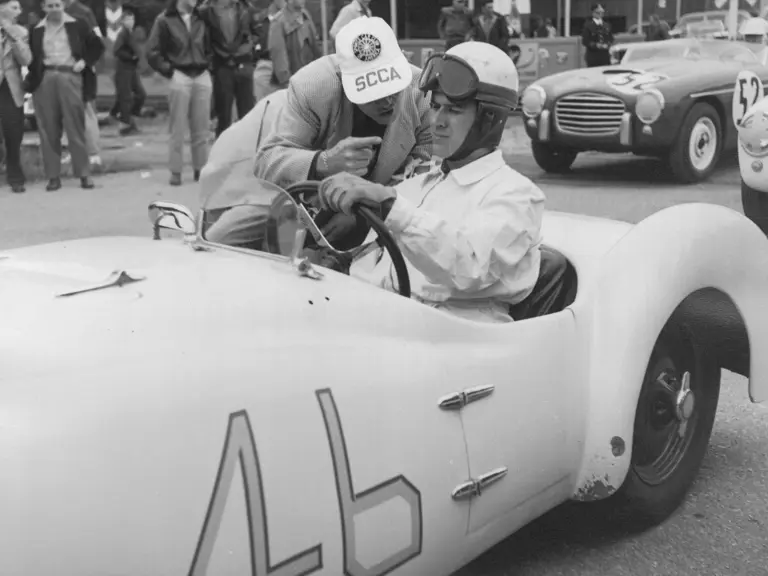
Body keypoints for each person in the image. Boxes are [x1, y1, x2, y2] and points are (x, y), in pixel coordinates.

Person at [316, 41, 545, 324]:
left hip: (459, 339)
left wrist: (388, 204)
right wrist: (331, 258)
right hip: (382, 323)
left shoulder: (516, 195)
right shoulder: (415, 187)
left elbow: (471, 266)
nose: (437, 120)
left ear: (489, 120)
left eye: (454, 110)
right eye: (435, 106)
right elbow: (373, 265)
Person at [253, 16, 432, 248]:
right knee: (230, 236)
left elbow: (424, 184)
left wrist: (362, 213)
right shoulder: (312, 87)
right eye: (373, 94)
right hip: (304, 204)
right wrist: (323, 161)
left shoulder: (423, 94)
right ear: (343, 79)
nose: (387, 100)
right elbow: (265, 161)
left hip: (379, 214)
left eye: (392, 87)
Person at [25, 0, 103, 191]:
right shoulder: (36, 29)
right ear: (43, 8)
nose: (54, 9)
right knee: (48, 129)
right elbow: (31, 57)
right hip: (46, 77)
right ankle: (53, 176)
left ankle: (83, 174)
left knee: (75, 126)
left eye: (57, 5)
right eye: (49, 6)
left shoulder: (78, 24)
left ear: (63, 6)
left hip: (70, 75)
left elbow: (97, 45)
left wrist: (85, 62)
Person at [146, 0, 213, 186]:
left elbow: (211, 45)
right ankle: (176, 171)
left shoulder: (202, 18)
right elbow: (152, 52)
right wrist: (169, 71)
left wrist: (209, 65)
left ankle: (201, 169)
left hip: (201, 75)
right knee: (177, 128)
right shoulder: (164, 20)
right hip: (180, 74)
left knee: (202, 128)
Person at [199, 0, 258, 138]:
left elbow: (257, 33)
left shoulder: (245, 8)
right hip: (222, 65)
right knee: (223, 115)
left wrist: (247, 48)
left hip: (244, 64)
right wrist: (211, 59)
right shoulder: (206, 11)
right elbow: (202, 38)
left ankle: (247, 153)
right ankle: (222, 154)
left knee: (247, 114)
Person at [63, 0, 104, 168]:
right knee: (68, 115)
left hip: (83, 74)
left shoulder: (82, 15)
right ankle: (74, 151)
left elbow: (98, 42)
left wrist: (87, 61)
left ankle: (93, 153)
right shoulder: (49, 22)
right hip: (63, 76)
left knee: (86, 113)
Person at [0, 0, 30, 193]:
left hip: (11, 87)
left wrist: (12, 35)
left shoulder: (21, 32)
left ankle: (15, 176)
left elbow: (26, 59)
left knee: (13, 132)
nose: (19, 11)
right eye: (14, 7)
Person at [268, 0, 320, 89]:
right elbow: (279, 57)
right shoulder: (278, 22)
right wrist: (287, 83)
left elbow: (315, 49)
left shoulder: (306, 16)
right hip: (292, 84)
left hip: (310, 80)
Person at [112, 5, 145, 135]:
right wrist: (131, 57)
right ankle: (125, 125)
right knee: (125, 97)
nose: (130, 22)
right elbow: (117, 50)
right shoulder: (122, 34)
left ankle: (123, 115)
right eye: (127, 19)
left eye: (132, 19)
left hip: (132, 69)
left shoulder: (131, 33)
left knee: (140, 94)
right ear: (122, 21)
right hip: (123, 69)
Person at [251, 0, 283, 102]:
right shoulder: (258, 18)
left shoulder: (293, 18)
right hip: (263, 64)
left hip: (285, 67)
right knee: (260, 108)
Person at [581, 3, 612, 67]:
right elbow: (585, 41)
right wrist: (596, 45)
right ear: (593, 12)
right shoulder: (588, 25)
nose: (600, 14)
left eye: (601, 12)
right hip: (593, 56)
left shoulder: (606, 25)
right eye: (598, 12)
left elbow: (611, 38)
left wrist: (607, 44)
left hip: (605, 56)